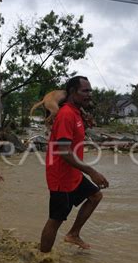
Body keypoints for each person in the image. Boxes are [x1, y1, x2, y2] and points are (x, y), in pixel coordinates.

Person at [40, 76, 109, 253]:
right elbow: (63, 151)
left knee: (95, 196)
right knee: (56, 219)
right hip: (60, 177)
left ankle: (73, 234)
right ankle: (42, 259)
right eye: (85, 91)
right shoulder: (66, 115)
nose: (89, 94)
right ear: (72, 92)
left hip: (73, 174)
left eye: (90, 90)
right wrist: (92, 171)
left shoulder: (76, 112)